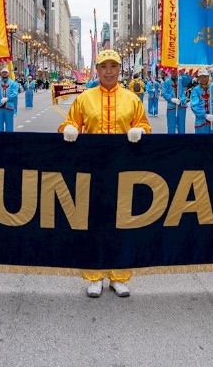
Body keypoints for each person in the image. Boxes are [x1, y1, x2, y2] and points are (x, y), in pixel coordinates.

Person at [58, 49, 150, 298]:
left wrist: (140, 131)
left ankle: (119, 276)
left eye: (113, 67)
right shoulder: (84, 98)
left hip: (124, 170)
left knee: (122, 221)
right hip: (92, 169)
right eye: (104, 67)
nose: (109, 71)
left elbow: (143, 125)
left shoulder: (132, 99)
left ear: (120, 70)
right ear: (96, 70)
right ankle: (94, 275)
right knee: (93, 221)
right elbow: (71, 123)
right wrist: (68, 127)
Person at [190, 69, 213, 133]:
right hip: (201, 120)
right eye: (200, 77)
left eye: (204, 76)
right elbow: (194, 105)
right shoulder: (196, 90)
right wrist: (205, 115)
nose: (203, 79)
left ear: (208, 77)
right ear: (198, 78)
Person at [161, 67, 192, 133]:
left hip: (181, 105)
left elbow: (188, 80)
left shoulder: (181, 80)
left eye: (176, 72)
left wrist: (183, 73)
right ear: (170, 72)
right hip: (171, 105)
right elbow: (164, 92)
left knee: (181, 124)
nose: (174, 73)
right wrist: (171, 99)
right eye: (173, 72)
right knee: (171, 125)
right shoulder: (166, 82)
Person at [0, 67, 20, 132]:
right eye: (3, 73)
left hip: (9, 106)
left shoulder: (13, 83)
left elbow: (15, 93)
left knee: (9, 125)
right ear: (1, 74)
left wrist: (7, 98)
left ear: (8, 74)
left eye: (6, 72)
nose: (4, 74)